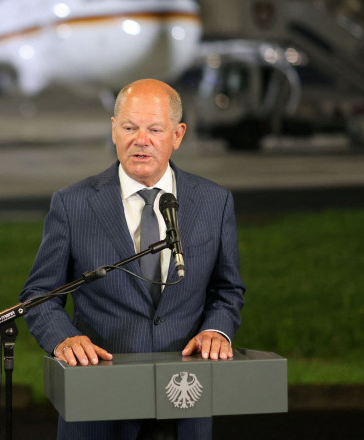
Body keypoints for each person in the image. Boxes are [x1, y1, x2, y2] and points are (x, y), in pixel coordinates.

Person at [20, 79, 245, 440]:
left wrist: (216, 329)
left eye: (155, 129)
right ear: (114, 130)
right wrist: (64, 339)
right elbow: (39, 295)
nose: (141, 140)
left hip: (183, 401)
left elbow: (227, 289)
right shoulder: (73, 204)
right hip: (97, 406)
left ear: (178, 134)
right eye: (129, 128)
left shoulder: (214, 203)